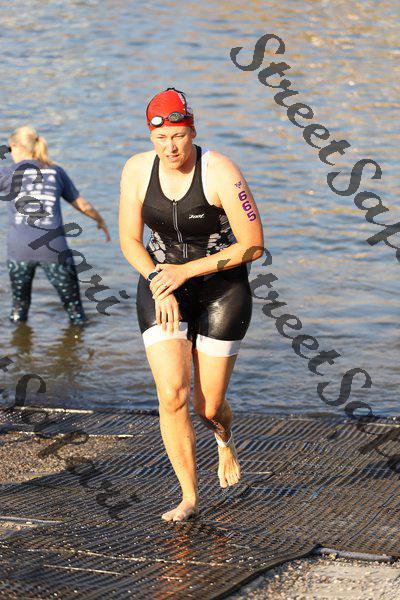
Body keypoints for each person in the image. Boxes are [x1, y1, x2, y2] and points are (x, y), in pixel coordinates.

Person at [119, 87, 264, 522]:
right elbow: (129, 240)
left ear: (193, 131)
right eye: (161, 138)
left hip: (222, 290)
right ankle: (189, 497)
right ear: (151, 137)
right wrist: (158, 281)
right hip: (162, 285)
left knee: (209, 407)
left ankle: (224, 439)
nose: (170, 147)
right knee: (172, 394)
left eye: (178, 136)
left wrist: (186, 271)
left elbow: (253, 245)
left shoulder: (221, 171)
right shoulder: (136, 170)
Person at [0, 125, 110, 325]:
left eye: (9, 149)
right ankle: (77, 341)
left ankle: (18, 342)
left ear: (15, 146)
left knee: (19, 308)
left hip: (19, 249)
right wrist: (100, 221)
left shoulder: (7, 172)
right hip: (54, 250)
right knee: (75, 311)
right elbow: (83, 205)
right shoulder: (55, 171)